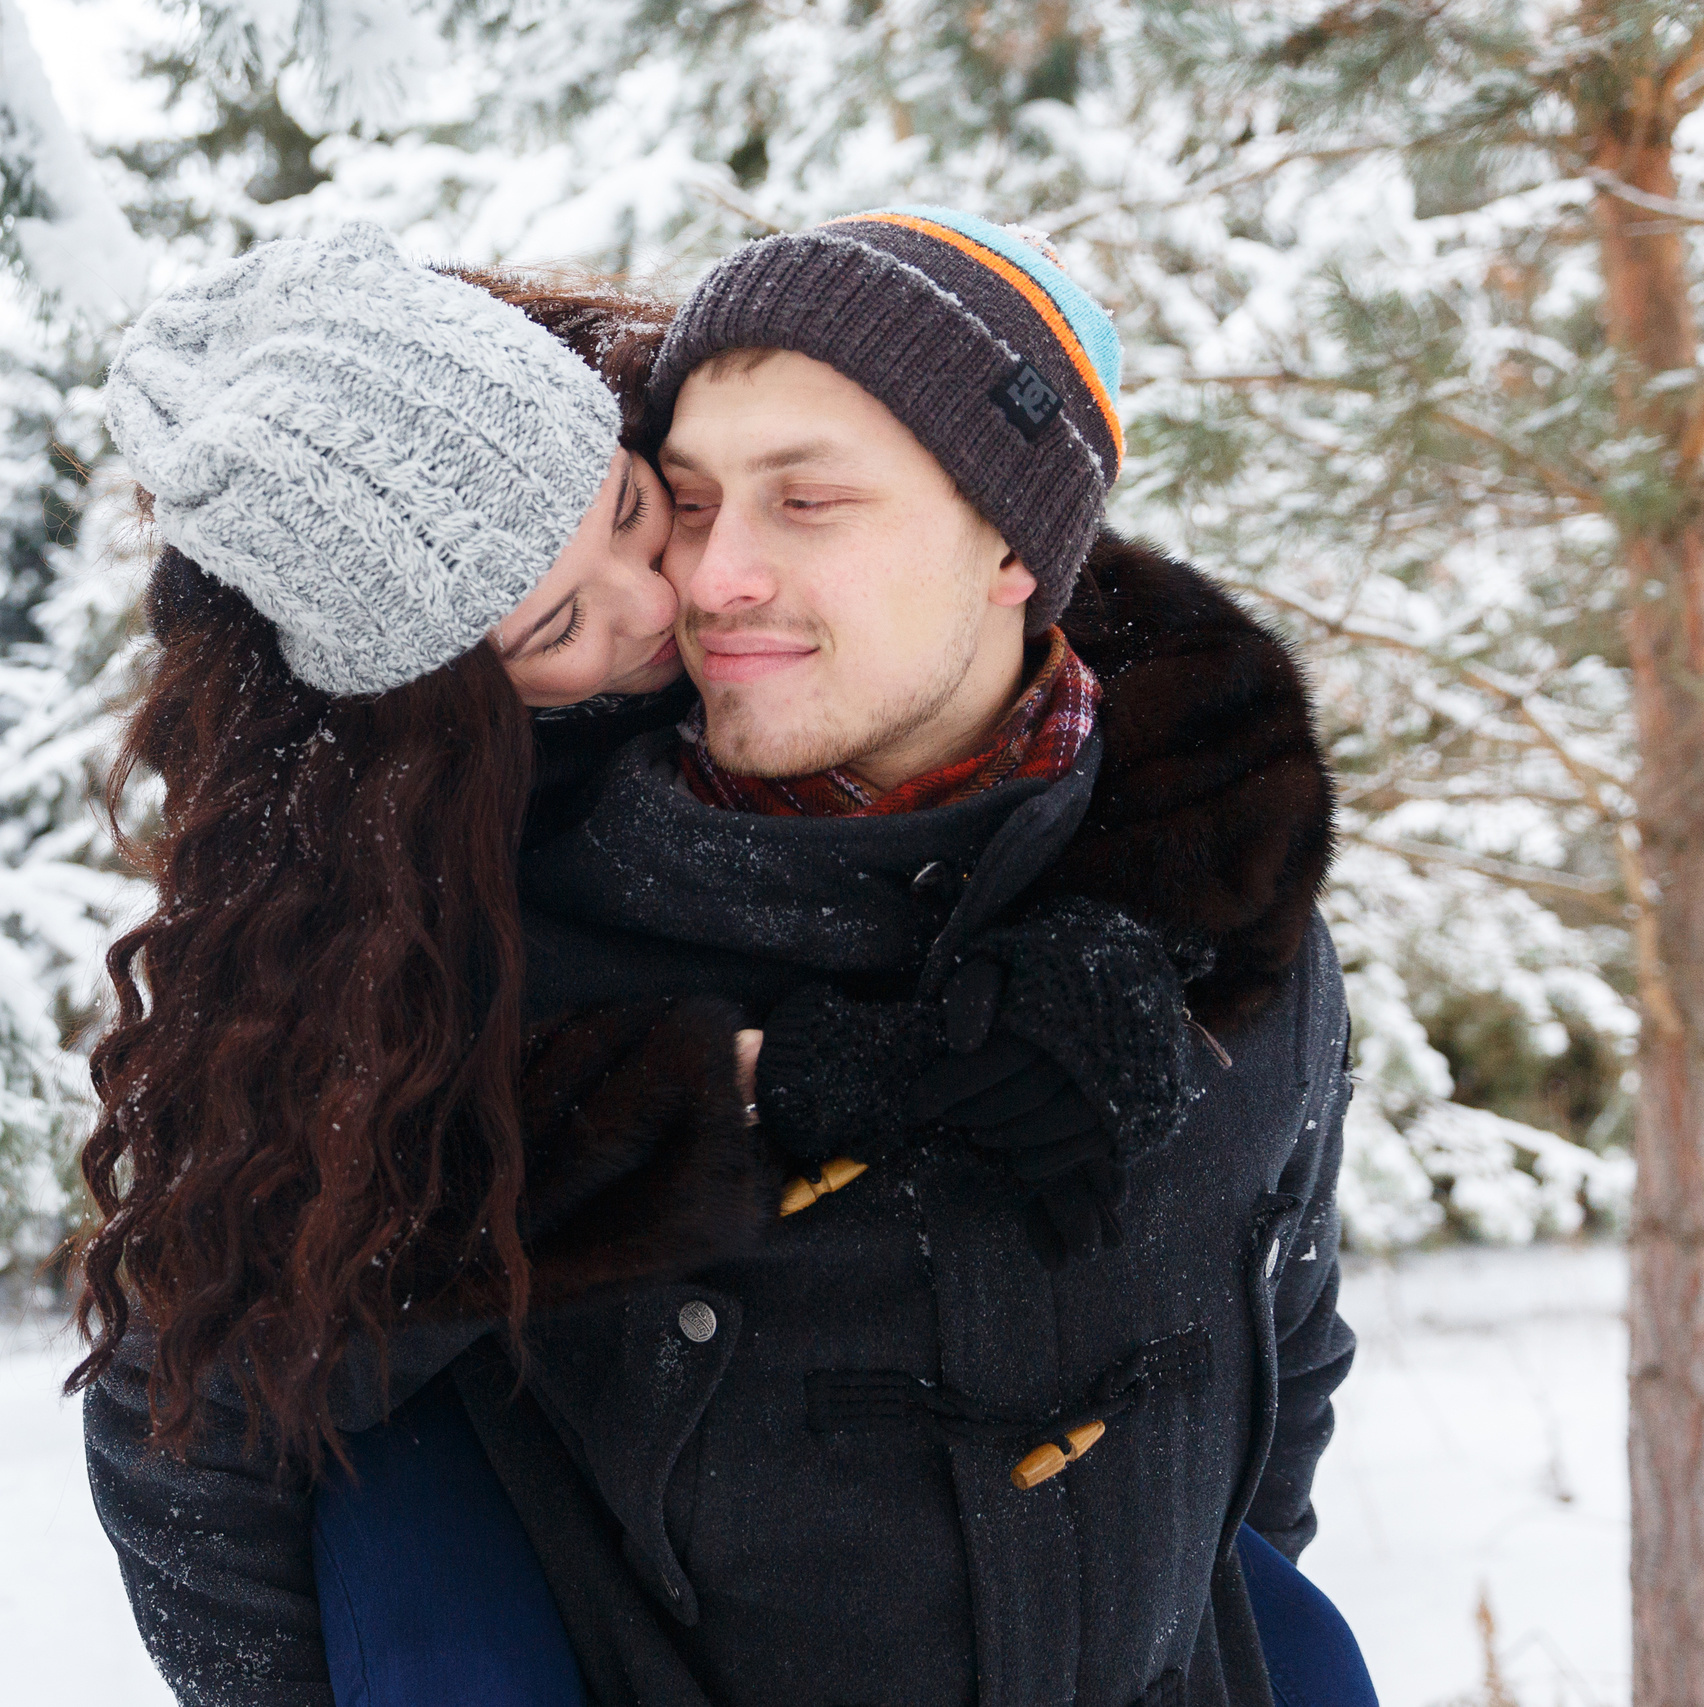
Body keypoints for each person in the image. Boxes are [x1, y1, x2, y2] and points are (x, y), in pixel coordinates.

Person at [77, 216, 1375, 1707]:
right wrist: (742, 1102)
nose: (691, 592)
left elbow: (1281, 1347)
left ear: (1021, 542)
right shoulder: (459, 950)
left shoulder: (1220, 902)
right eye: (691, 507)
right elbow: (199, 1411)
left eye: (789, 501)